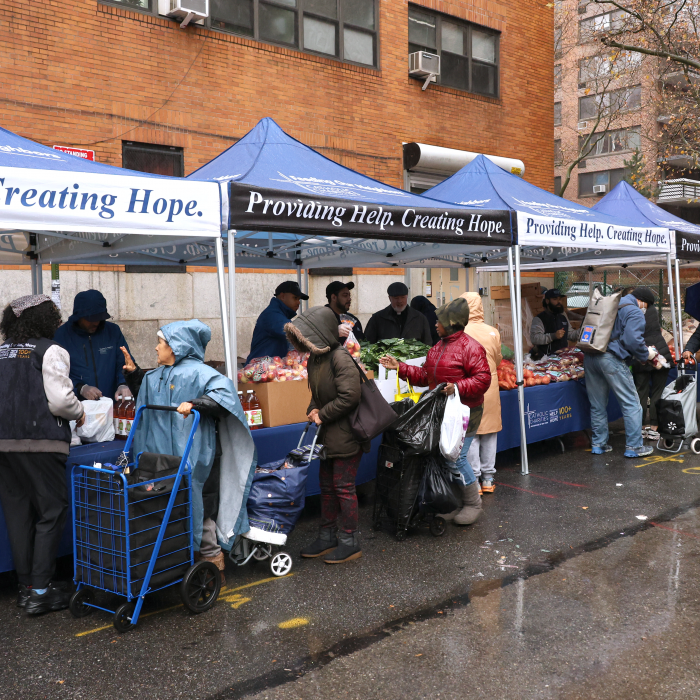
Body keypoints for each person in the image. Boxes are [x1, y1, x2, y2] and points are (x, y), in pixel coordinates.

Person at [120, 320, 255, 584]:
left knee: (199, 510)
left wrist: (195, 403)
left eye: (161, 343)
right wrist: (134, 375)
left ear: (177, 347)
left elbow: (223, 398)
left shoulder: (202, 374)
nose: (156, 348)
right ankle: (174, 568)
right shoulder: (153, 375)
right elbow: (147, 397)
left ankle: (214, 566)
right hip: (160, 458)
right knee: (164, 510)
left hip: (195, 455)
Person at [0, 295, 85, 615]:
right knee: (51, 511)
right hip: (40, 441)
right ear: (46, 321)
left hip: (4, 443)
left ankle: (26, 587)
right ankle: (40, 591)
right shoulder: (50, 351)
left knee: (18, 514)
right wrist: (78, 412)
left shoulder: (2, 351)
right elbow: (61, 401)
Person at [380, 297, 491, 525]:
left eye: (439, 321)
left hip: (465, 413)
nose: (435, 324)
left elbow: (483, 379)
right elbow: (425, 377)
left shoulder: (471, 347)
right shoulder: (437, 347)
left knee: (457, 458)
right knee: (443, 456)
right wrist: (399, 367)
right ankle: (453, 502)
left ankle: (472, 504)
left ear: (450, 323)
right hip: (441, 411)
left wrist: (457, 387)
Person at [285, 306, 367, 564]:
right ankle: (327, 536)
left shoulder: (340, 357)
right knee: (327, 488)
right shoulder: (317, 358)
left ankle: (349, 541)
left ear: (319, 332)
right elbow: (318, 394)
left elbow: (351, 396)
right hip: (327, 436)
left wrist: (323, 413)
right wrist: (313, 408)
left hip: (346, 434)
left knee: (343, 488)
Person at [584, 290, 654, 457]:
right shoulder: (634, 311)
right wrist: (646, 355)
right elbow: (632, 340)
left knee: (597, 405)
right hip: (610, 358)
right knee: (632, 404)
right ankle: (634, 447)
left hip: (590, 355)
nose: (646, 309)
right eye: (647, 306)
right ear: (643, 301)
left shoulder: (610, 303)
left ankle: (599, 444)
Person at [54, 289, 132, 401]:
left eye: (99, 318)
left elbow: (125, 362)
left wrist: (123, 383)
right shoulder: (61, 336)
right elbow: (56, 374)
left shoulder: (113, 332)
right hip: (76, 409)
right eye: (91, 319)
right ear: (78, 316)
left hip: (110, 405)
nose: (96, 323)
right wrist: (80, 388)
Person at [461, 292, 502, 494]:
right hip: (491, 385)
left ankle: (474, 480)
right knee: (490, 434)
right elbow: (498, 357)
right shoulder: (492, 331)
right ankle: (488, 479)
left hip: (469, 385)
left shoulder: (460, 331)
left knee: (472, 433)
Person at [628, 288, 674, 441]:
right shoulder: (652, 309)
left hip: (642, 354)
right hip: (661, 353)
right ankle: (654, 427)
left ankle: (640, 426)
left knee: (640, 391)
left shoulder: (634, 311)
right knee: (657, 392)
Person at [246, 281, 309, 363]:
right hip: (259, 370)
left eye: (299, 299)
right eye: (295, 298)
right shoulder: (272, 315)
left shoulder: (280, 315)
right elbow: (294, 333)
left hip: (270, 368)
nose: (298, 302)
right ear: (283, 296)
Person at [364, 282, 432, 345]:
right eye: (396, 298)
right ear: (389, 298)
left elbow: (427, 343)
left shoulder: (419, 318)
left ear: (407, 296)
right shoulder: (378, 318)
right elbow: (368, 343)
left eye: (403, 297)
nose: (400, 301)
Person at [529, 289, 578, 357]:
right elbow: (535, 338)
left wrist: (582, 331)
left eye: (560, 299)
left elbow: (570, 334)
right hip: (545, 359)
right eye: (555, 299)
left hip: (563, 358)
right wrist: (553, 336)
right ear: (547, 301)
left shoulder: (563, 316)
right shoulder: (539, 319)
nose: (559, 302)